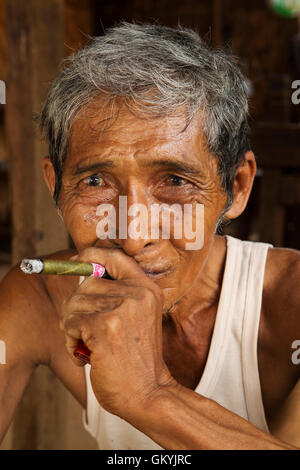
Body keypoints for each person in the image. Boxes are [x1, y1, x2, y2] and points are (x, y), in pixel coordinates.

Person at [0, 22, 299, 450]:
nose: (134, 234)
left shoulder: (291, 304)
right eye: (96, 180)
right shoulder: (40, 298)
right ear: (55, 187)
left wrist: (152, 395)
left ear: (236, 188)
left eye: (175, 181)